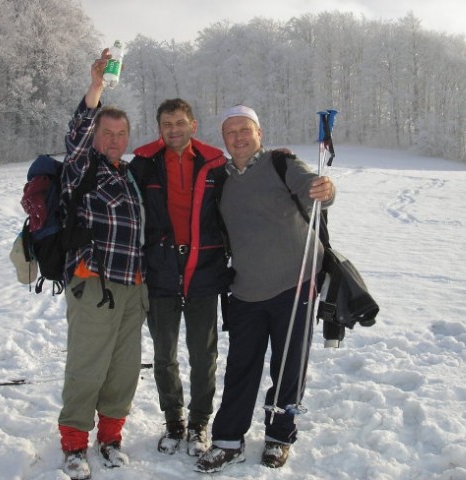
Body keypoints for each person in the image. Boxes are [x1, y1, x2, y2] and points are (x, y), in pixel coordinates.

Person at [195, 105, 336, 473]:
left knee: (289, 365)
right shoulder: (221, 178)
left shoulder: (281, 163)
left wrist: (325, 188)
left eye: (245, 130)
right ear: (223, 140)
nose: (238, 138)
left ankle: (279, 436)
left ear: (259, 132)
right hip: (245, 288)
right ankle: (227, 439)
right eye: (230, 133)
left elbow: (313, 187)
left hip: (295, 282)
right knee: (241, 365)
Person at [57, 48, 148, 480]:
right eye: (106, 132)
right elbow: (76, 133)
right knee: (87, 366)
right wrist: (96, 86)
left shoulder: (126, 173)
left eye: (120, 133)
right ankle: (75, 444)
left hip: (132, 286)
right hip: (93, 282)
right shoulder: (82, 166)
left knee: (123, 367)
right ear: (95, 135)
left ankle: (111, 438)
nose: (114, 139)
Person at [128, 99, 231, 456]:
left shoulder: (215, 165)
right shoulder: (143, 166)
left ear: (193, 124)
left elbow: (237, 207)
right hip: (160, 272)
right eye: (167, 124)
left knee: (204, 355)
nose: (174, 129)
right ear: (160, 128)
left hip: (204, 271)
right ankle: (174, 421)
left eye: (180, 123)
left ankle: (200, 422)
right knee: (164, 354)